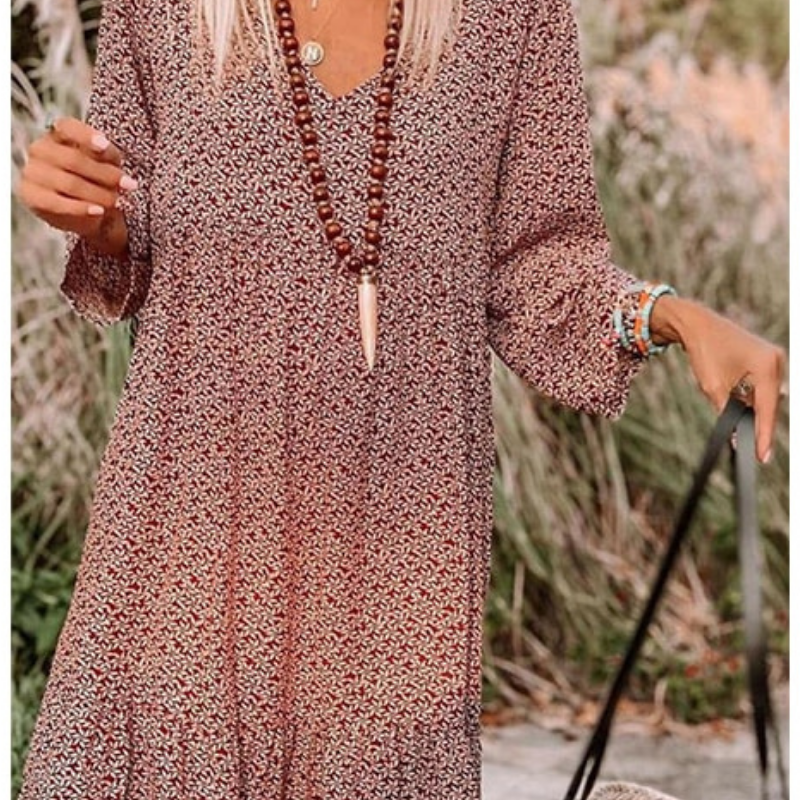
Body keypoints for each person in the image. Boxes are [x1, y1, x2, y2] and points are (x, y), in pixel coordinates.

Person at [14, 0, 785, 796]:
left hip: (397, 571)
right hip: (189, 546)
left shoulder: (514, 16)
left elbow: (537, 265)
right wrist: (89, 209)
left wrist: (667, 316)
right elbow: (129, 226)